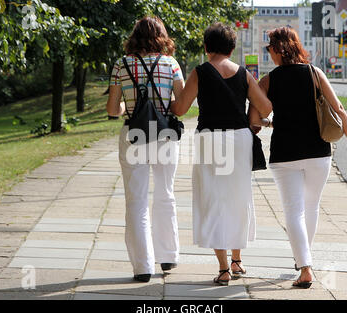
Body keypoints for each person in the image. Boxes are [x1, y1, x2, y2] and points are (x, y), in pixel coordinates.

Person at [171, 22, 272, 285]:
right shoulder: (243, 74)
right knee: (238, 197)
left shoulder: (200, 72)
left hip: (210, 139)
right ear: (231, 48)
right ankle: (237, 261)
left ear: (206, 47)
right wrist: (252, 117)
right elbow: (265, 105)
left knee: (213, 199)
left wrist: (165, 100)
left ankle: (224, 268)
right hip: (239, 139)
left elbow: (181, 108)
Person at [257, 27, 347, 288]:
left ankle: (305, 266)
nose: (268, 52)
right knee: (311, 206)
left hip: (284, 154)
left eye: (269, 47)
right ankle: (305, 260)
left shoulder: (268, 81)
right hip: (318, 152)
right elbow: (339, 108)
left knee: (293, 210)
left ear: (278, 49)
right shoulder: (315, 73)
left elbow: (254, 119)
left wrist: (269, 123)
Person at [106, 16, 184, 282]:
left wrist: (130, 104)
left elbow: (112, 110)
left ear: (134, 36)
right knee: (166, 194)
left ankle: (142, 266)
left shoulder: (121, 65)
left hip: (134, 135)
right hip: (164, 136)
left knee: (136, 202)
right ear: (161, 36)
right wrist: (160, 103)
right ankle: (169, 256)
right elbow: (180, 105)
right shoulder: (171, 64)